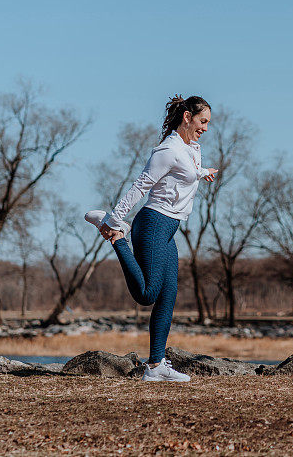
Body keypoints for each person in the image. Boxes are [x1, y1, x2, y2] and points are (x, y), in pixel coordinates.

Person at [85, 95, 218, 382]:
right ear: (187, 117)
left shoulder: (191, 149)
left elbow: (188, 172)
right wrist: (114, 218)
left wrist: (203, 172)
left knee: (168, 296)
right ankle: (117, 236)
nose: (206, 128)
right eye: (202, 121)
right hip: (153, 223)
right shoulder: (167, 150)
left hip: (169, 229)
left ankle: (156, 367)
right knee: (147, 294)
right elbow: (140, 185)